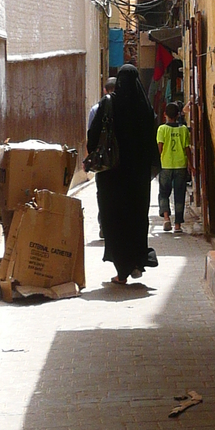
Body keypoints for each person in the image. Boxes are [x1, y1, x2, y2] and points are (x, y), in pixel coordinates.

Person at [87, 64, 157, 285]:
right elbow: (151, 142)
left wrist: (92, 157)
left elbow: (94, 136)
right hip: (137, 178)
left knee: (115, 219)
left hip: (112, 176)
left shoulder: (109, 103)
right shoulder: (145, 108)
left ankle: (122, 271)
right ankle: (137, 261)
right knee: (136, 219)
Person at [156, 101, 191, 233]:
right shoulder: (183, 130)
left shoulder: (162, 129)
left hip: (165, 165)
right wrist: (191, 165)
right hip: (180, 165)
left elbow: (160, 147)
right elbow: (187, 149)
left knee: (164, 193)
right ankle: (178, 225)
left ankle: (166, 218)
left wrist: (157, 162)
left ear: (165, 114)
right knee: (179, 194)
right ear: (178, 115)